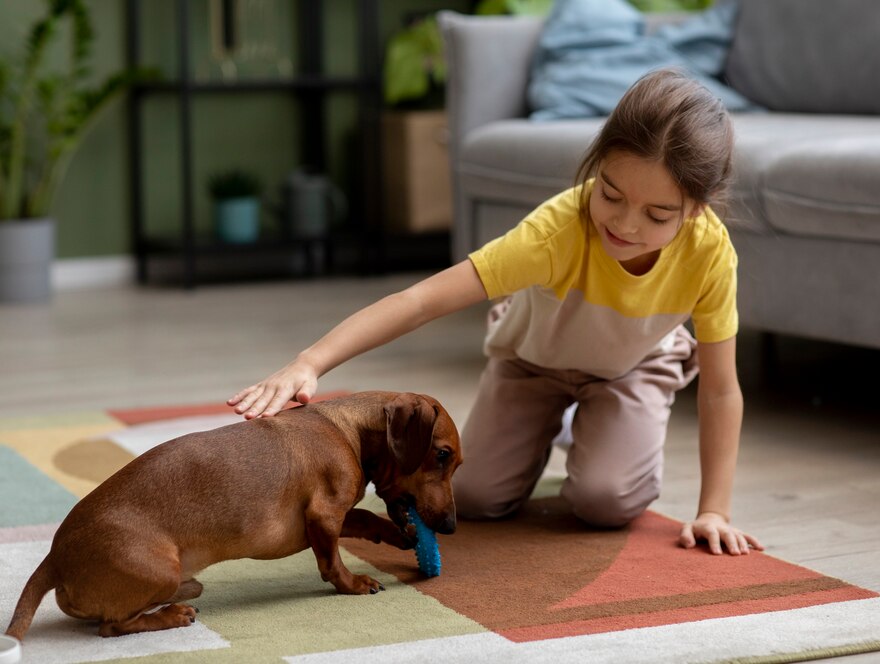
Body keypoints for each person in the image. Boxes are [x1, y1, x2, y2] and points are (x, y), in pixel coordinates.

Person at [228, 68, 764, 556]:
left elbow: (720, 389)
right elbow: (418, 303)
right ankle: (557, 413)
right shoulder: (555, 232)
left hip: (631, 367)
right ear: (597, 165)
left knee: (604, 502)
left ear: (698, 207)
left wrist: (713, 510)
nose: (624, 223)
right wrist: (310, 361)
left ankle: (598, 418)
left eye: (657, 213)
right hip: (533, 360)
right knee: (477, 495)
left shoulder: (710, 254)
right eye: (611, 192)